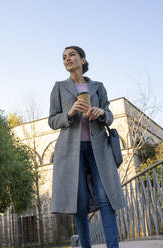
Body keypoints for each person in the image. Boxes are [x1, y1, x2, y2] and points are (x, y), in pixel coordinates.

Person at [48, 46, 126, 248]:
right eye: (64, 57)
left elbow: (109, 115)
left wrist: (100, 112)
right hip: (70, 152)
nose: (67, 59)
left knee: (105, 197)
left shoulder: (98, 87)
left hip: (98, 148)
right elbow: (52, 120)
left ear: (82, 60)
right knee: (80, 201)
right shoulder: (58, 87)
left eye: (71, 55)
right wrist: (70, 113)